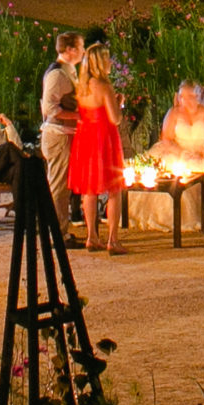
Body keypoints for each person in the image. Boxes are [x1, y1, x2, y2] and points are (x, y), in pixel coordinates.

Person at [68, 55, 128, 255]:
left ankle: (91, 236)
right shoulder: (104, 86)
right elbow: (115, 118)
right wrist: (119, 102)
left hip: (85, 137)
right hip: (104, 137)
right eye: (107, 59)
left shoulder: (82, 85)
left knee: (89, 189)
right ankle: (113, 239)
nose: (111, 62)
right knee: (114, 189)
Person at [39, 32, 86, 237]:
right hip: (58, 136)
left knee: (63, 185)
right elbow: (50, 108)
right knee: (58, 185)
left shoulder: (69, 71)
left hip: (67, 133)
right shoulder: (57, 75)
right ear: (70, 50)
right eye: (81, 47)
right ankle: (56, 233)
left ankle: (60, 229)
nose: (83, 51)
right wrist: (78, 115)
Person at [155, 80, 204, 181]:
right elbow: (166, 139)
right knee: (172, 169)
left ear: (198, 97)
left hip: (203, 155)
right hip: (180, 154)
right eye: (182, 97)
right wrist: (182, 153)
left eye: (191, 97)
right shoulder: (174, 113)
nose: (186, 101)